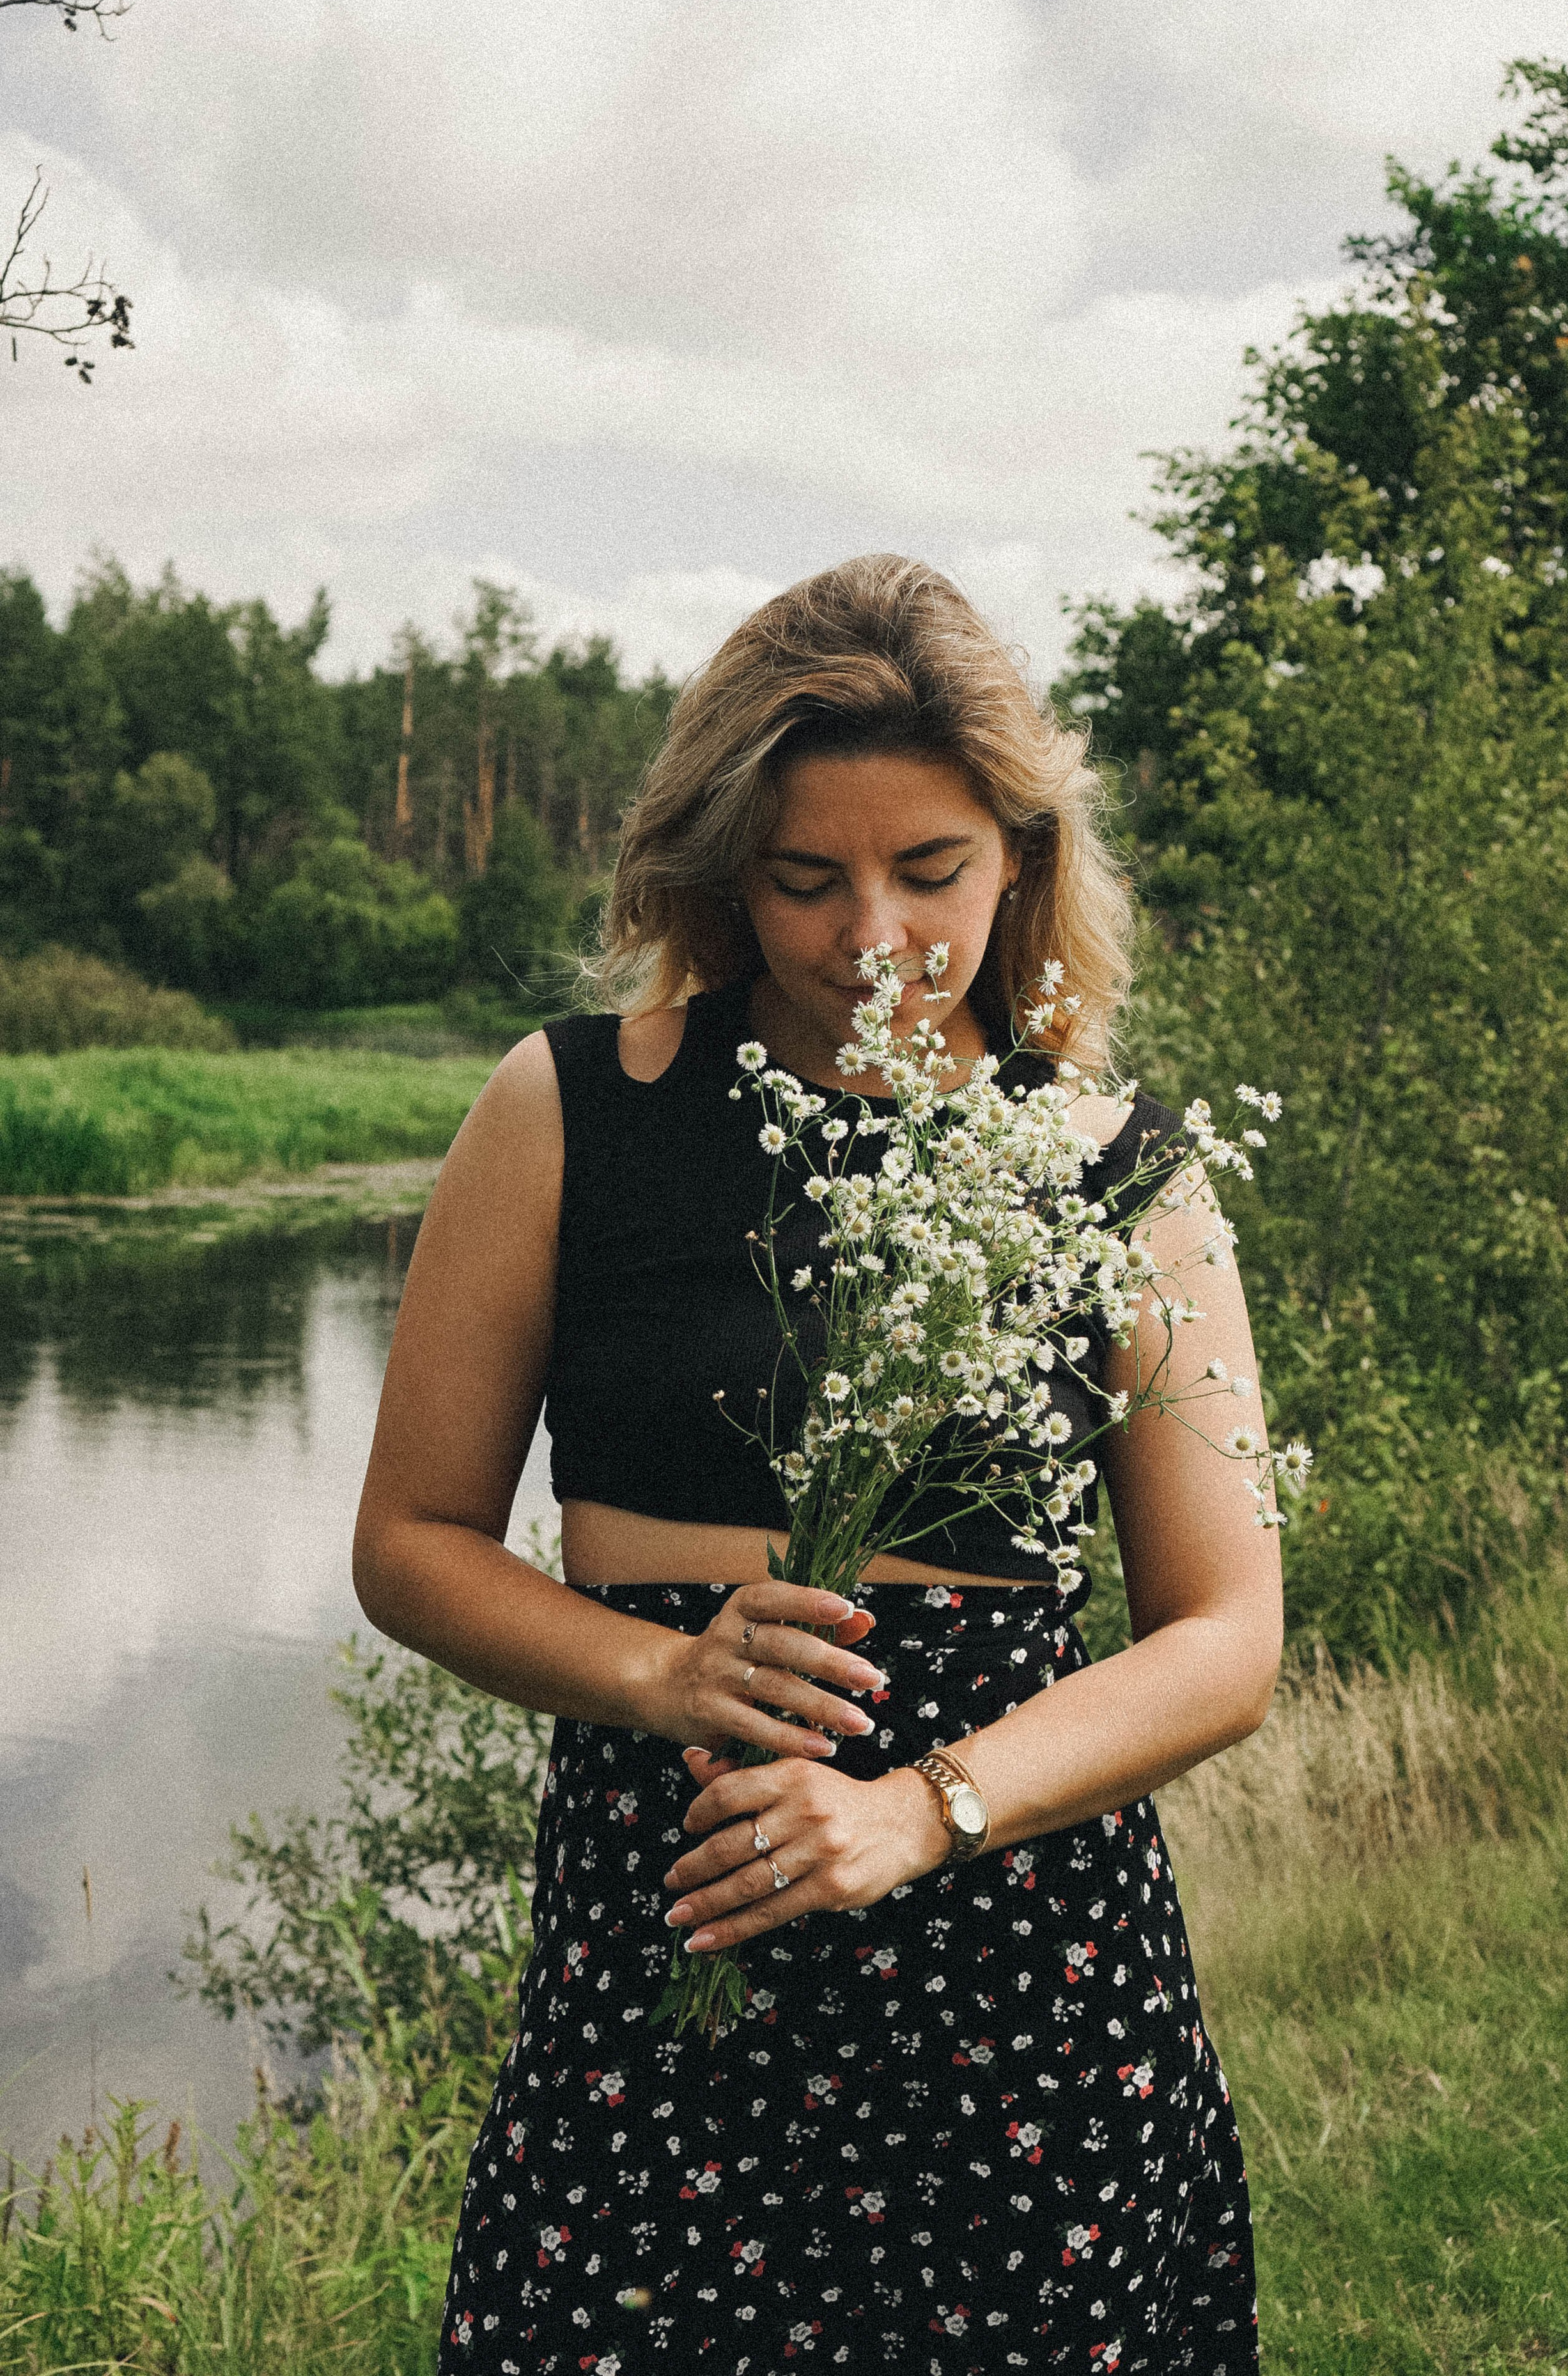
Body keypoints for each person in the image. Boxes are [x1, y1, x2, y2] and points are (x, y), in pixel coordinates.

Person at [353, 555, 1282, 2375]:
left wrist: (918, 1807)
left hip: (1024, 1979)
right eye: (807, 878)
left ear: (1019, 855)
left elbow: (1227, 1636)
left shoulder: (1115, 1161)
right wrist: (662, 1667)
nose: (873, 935)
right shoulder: (574, 1108)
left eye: (930, 871)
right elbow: (411, 1540)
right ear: (720, 868)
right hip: (669, 1949)